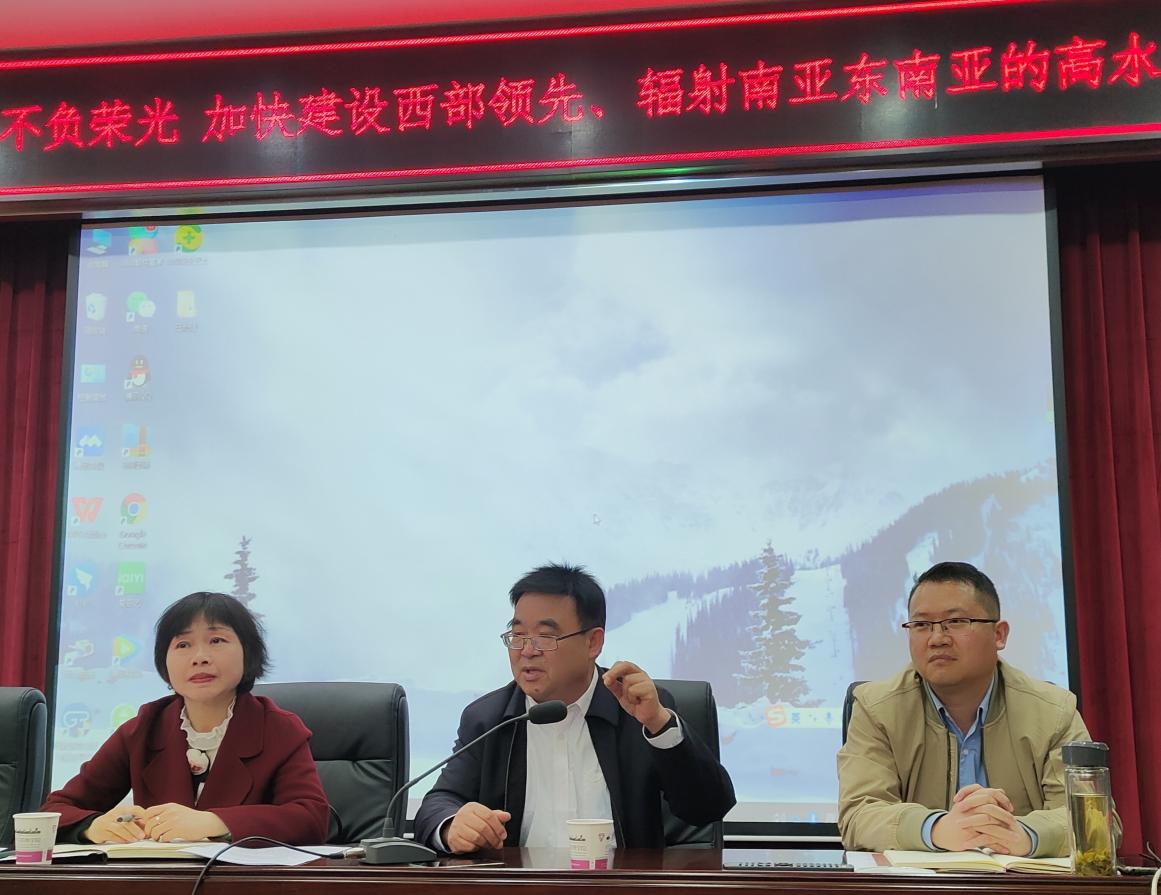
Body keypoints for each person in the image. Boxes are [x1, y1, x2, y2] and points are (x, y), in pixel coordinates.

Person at [414, 563, 736, 853]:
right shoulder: (489, 718)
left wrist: (659, 724)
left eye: (545, 637)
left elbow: (707, 808)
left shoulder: (637, 710)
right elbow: (438, 803)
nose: (527, 651)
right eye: (518, 635)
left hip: (621, 887)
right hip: (520, 888)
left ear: (593, 643)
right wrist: (452, 825)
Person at [837, 561, 1097, 857]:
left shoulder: (1053, 711)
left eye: (956, 622)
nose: (937, 639)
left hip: (1017, 879)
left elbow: (1093, 819)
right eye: (921, 625)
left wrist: (1026, 835)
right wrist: (935, 829)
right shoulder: (876, 708)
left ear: (999, 635)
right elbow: (859, 815)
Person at [42, 592, 328, 845]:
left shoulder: (279, 728)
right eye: (182, 645)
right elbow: (56, 809)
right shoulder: (143, 728)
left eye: (217, 640)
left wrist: (215, 822)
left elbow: (311, 818)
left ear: (248, 653)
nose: (199, 657)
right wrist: (92, 827)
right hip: (162, 880)